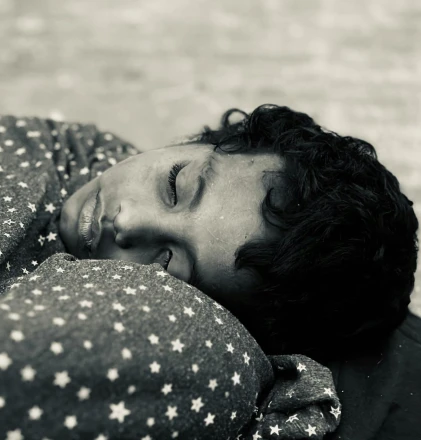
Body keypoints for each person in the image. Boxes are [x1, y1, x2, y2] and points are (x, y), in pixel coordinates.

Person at [60, 105, 419, 365]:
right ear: (193, 144)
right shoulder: (59, 150)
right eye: (174, 184)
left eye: (166, 264)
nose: (128, 222)